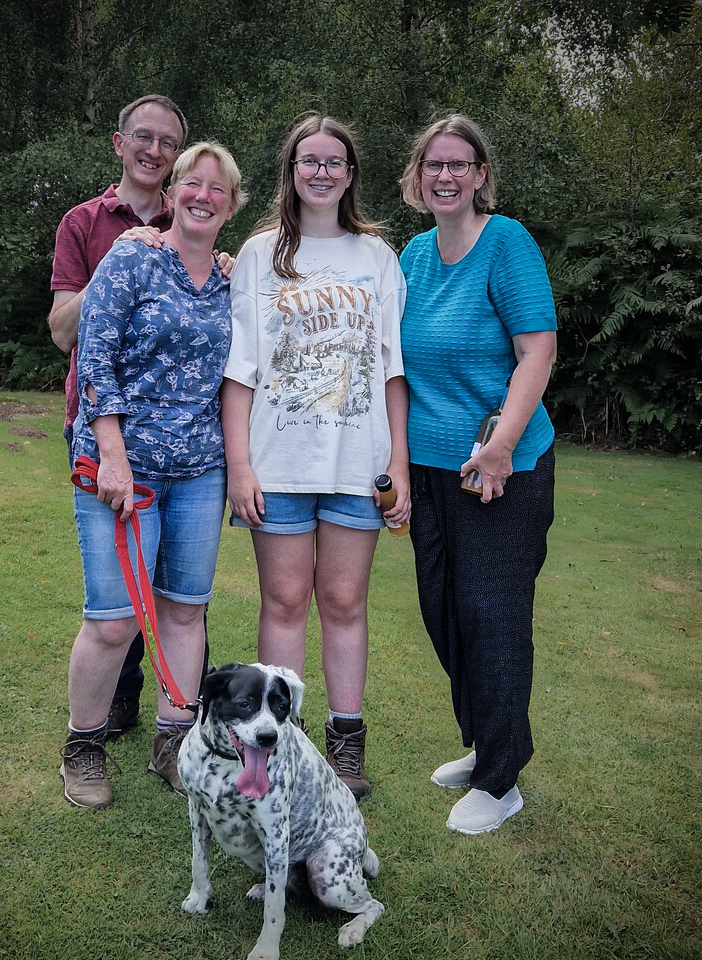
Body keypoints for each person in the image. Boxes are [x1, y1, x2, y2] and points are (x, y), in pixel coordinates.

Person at [221, 114, 409, 801]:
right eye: (309, 160)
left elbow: (393, 372)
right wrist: (240, 467)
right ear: (291, 172)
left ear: (351, 175)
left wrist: (401, 469)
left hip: (359, 469)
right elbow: (239, 372)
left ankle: (346, 747)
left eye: (335, 161)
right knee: (285, 599)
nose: (322, 171)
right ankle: (283, 744)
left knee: (343, 599)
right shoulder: (259, 255)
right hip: (279, 465)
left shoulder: (377, 259)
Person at [60, 141, 247, 808]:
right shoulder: (132, 258)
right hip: (120, 468)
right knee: (113, 622)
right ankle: (83, 747)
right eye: (190, 184)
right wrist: (111, 452)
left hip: (199, 473)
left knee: (185, 612)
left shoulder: (233, 279)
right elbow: (96, 356)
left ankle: (175, 745)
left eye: (216, 188)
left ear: (231, 205)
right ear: (173, 193)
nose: (201, 195)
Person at [397, 114, 557, 834]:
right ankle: (487, 741)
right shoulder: (412, 256)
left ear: (481, 174)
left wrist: (501, 445)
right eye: (435, 164)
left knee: (493, 619)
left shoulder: (507, 243)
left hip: (500, 469)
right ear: (418, 174)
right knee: (445, 612)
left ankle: (501, 781)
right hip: (431, 471)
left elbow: (537, 351)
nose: (446, 176)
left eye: (460, 164)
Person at [49, 94, 188, 750]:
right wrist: (120, 262)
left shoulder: (191, 216)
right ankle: (98, 724)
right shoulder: (83, 223)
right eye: (143, 137)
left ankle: (159, 713)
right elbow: (59, 331)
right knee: (116, 600)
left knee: (174, 590)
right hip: (100, 429)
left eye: (167, 142)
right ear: (118, 142)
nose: (154, 150)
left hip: (180, 439)